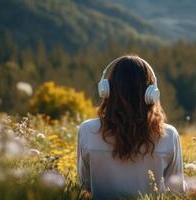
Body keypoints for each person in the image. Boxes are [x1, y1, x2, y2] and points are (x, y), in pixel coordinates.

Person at [77, 55, 185, 199]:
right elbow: (177, 192)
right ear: (151, 93)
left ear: (106, 90)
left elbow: (84, 185)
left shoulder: (87, 130)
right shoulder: (169, 135)